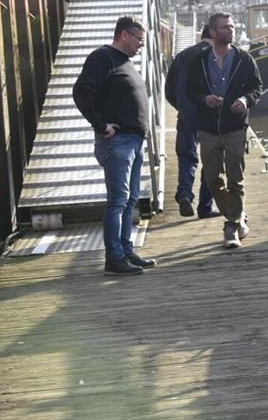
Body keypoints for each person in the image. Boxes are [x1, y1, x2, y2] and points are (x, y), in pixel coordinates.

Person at [72, 15, 157, 275]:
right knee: (118, 200)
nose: (141, 45)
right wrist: (101, 125)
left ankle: (125, 250)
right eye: (138, 39)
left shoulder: (124, 62)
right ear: (123, 34)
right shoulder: (102, 57)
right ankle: (114, 258)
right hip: (117, 142)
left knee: (130, 200)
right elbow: (81, 92)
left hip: (133, 141)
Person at [185, 12, 263, 248]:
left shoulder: (244, 59)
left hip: (235, 127)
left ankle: (231, 227)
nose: (230, 30)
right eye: (224, 27)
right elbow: (190, 90)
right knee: (212, 179)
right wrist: (203, 98)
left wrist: (246, 100)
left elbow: (257, 88)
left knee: (235, 179)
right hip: (208, 128)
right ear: (212, 32)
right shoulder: (200, 61)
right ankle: (238, 216)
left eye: (231, 27)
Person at [164, 24, 220, 219]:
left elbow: (169, 91)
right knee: (211, 160)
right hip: (211, 118)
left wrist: (183, 107)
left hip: (187, 117)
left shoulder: (181, 56)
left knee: (187, 157)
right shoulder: (217, 55)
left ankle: (185, 194)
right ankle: (205, 207)